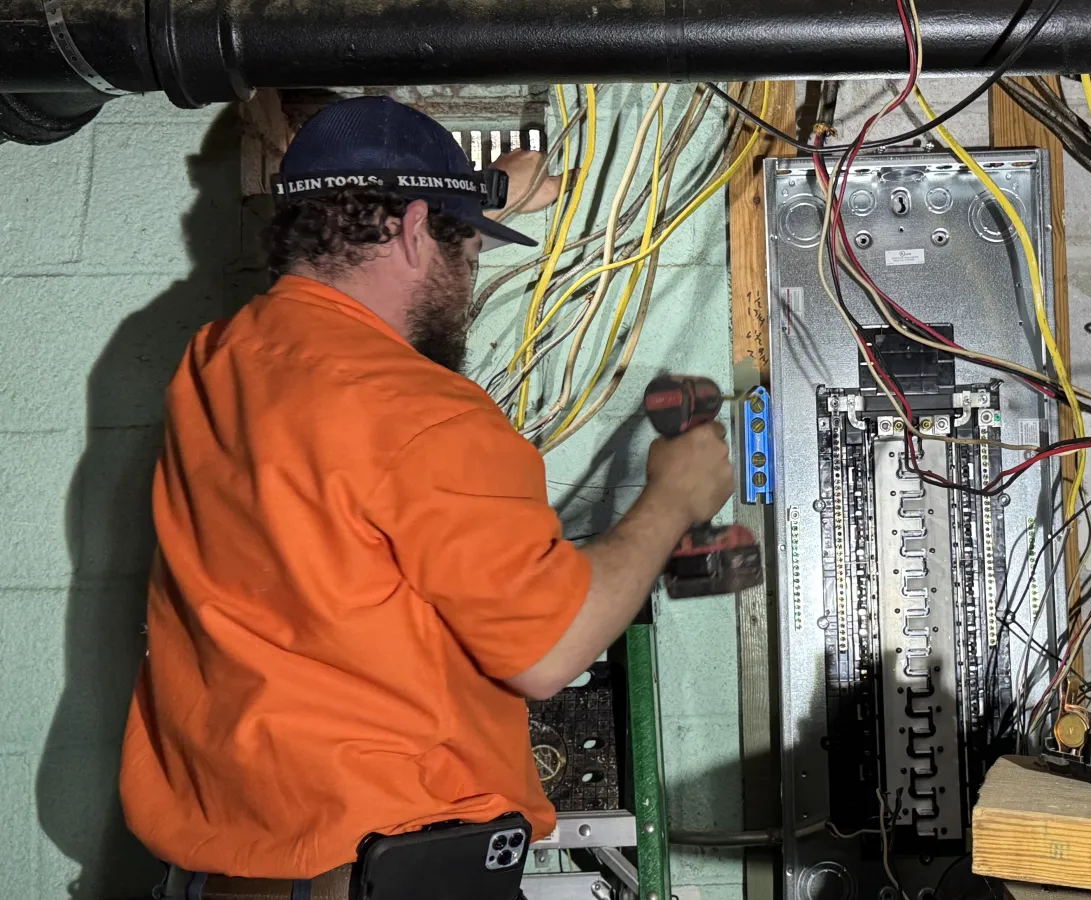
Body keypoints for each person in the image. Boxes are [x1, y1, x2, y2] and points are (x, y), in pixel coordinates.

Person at [118, 96, 734, 895]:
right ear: (413, 230)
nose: (469, 279)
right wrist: (673, 499)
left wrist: (472, 200)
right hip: (380, 872)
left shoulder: (217, 363)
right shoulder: (423, 412)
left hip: (221, 872)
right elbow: (549, 654)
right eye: (468, 253)